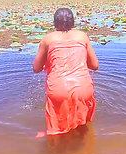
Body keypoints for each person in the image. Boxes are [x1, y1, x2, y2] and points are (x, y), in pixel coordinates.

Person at [33, 8, 99, 137]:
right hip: (83, 88)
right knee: (83, 125)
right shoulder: (82, 36)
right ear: (73, 22)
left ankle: (53, 141)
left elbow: (36, 68)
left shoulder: (48, 39)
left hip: (58, 89)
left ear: (54, 23)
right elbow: (95, 66)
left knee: (56, 126)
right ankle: (83, 143)